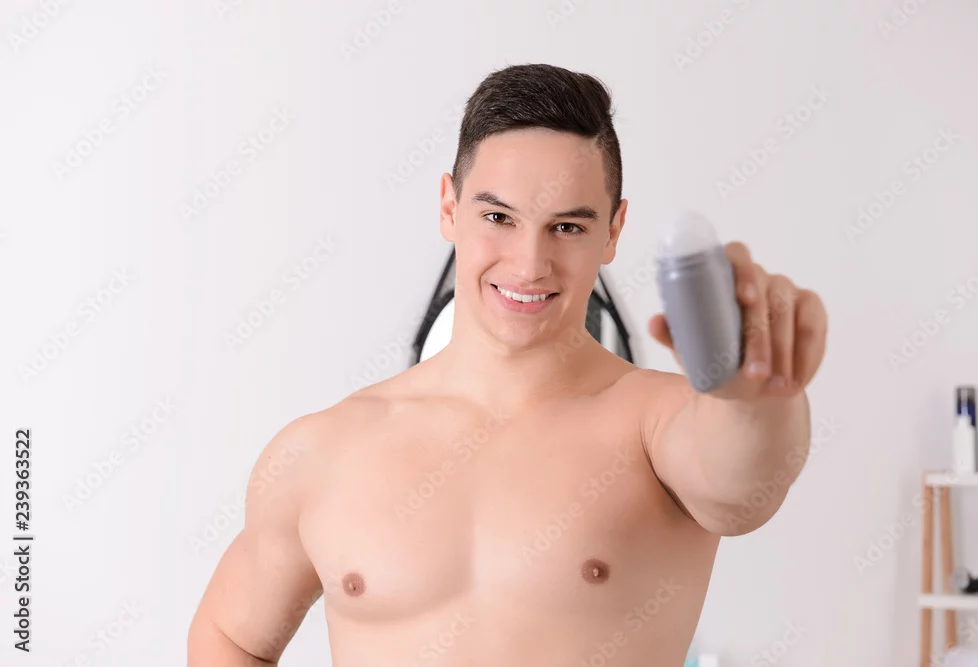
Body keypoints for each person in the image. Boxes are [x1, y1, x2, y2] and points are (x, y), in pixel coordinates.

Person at [187, 63, 828, 667]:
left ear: (613, 230)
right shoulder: (323, 450)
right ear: (449, 207)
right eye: (498, 217)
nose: (528, 264)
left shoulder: (656, 426)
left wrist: (755, 396)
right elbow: (231, 636)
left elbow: (741, 487)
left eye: (567, 227)